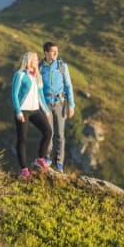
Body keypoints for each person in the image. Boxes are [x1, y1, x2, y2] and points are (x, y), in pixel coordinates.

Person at [11, 51, 53, 179]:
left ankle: (40, 159)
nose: (37, 61)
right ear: (29, 60)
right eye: (35, 59)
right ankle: (24, 169)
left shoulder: (37, 76)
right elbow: (14, 94)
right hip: (23, 111)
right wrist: (18, 111)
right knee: (22, 139)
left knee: (48, 131)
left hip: (35, 110)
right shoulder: (20, 75)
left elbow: (40, 96)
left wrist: (46, 110)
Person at [39, 41, 75, 172]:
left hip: (60, 103)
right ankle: (47, 158)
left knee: (60, 134)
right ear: (46, 53)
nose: (56, 54)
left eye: (57, 52)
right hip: (45, 103)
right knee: (48, 132)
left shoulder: (62, 66)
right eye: (53, 52)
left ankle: (59, 162)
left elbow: (68, 86)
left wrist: (71, 105)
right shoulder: (40, 67)